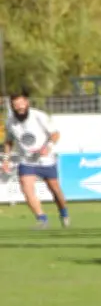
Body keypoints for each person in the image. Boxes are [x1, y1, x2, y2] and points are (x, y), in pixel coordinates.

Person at [2, 91, 69, 229]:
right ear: (12, 106)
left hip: (45, 160)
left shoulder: (39, 116)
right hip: (26, 160)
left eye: (21, 103)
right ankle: (42, 219)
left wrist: (48, 147)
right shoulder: (10, 121)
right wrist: (6, 160)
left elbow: (55, 134)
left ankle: (64, 213)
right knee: (26, 187)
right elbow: (8, 141)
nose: (20, 107)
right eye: (16, 105)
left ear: (27, 102)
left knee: (55, 190)